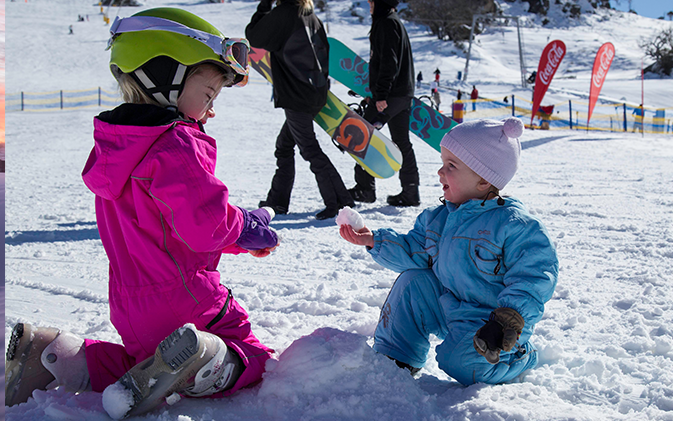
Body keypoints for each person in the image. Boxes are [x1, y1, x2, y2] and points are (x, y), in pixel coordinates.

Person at [5, 8, 279, 418]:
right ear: (166, 73)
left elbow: (167, 223)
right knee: (253, 356)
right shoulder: (176, 144)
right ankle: (201, 360)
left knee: (140, 362)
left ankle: (53, 354)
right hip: (186, 297)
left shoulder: (115, 147)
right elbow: (206, 225)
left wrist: (234, 237)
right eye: (207, 94)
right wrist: (246, 227)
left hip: (129, 305)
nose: (210, 110)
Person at [338, 117, 558, 385]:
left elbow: (534, 276)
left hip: (491, 325)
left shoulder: (515, 226)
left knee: (461, 364)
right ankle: (397, 357)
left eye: (451, 166)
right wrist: (374, 241)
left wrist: (507, 320)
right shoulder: (439, 218)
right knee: (413, 281)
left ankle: (519, 357)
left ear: (483, 180)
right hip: (449, 307)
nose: (441, 173)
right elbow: (412, 251)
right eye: (443, 164)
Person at [246, 0, 354, 220]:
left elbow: (254, 37)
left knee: (309, 149)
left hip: (297, 94)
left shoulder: (284, 14)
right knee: (285, 145)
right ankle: (277, 202)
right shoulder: (310, 16)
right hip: (314, 92)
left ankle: (339, 201)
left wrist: (264, 6)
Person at [347, 0, 420, 207]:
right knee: (402, 142)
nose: (369, 4)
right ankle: (410, 191)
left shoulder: (386, 23)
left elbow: (389, 61)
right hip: (401, 93)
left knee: (361, 134)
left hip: (392, 95)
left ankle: (365, 189)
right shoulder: (393, 21)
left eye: (371, 1)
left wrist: (381, 95)